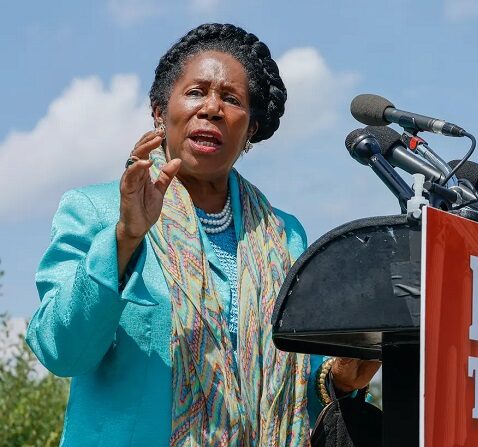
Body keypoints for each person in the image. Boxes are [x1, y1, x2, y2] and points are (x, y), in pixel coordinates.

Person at [26, 23, 379, 446]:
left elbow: (294, 385)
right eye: (196, 92)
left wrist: (339, 379)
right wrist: (125, 239)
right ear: (160, 111)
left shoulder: (285, 236)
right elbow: (62, 351)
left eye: (231, 99)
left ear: (250, 130)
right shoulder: (97, 211)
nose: (211, 108)